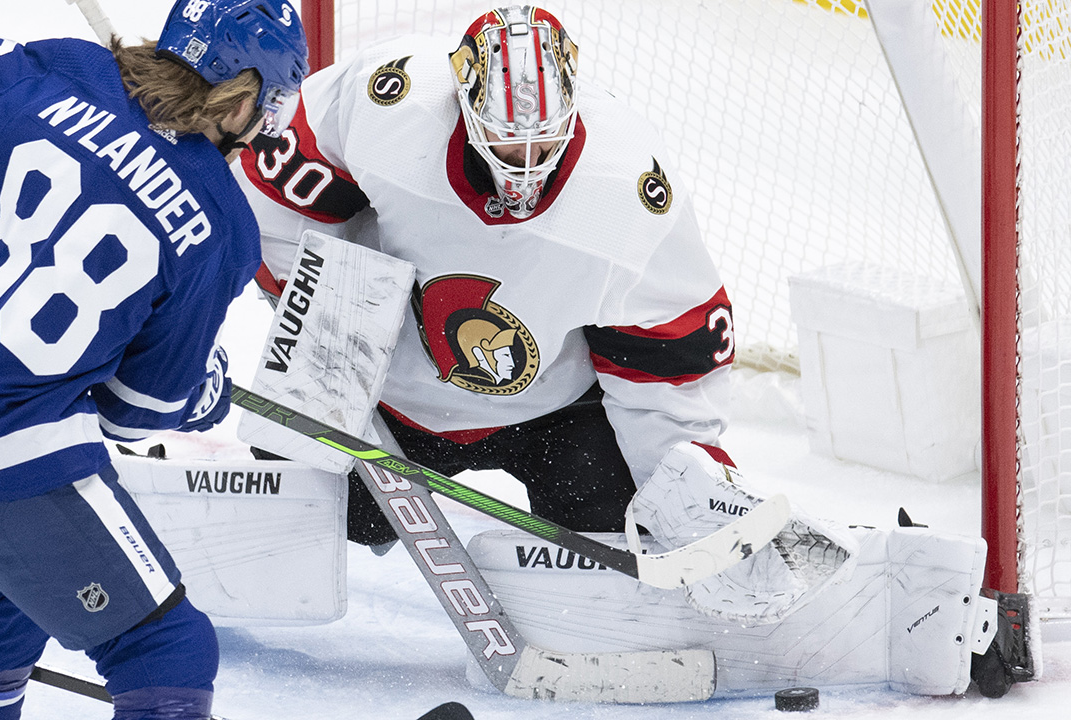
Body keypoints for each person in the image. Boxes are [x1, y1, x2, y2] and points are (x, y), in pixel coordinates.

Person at [233, 4, 1033, 699]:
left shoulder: (625, 190)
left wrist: (686, 481)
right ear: (461, 105)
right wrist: (324, 312)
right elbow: (282, 193)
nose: (522, 168)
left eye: (539, 146)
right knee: (307, 513)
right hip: (389, 395)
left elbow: (662, 353)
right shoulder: (389, 101)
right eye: (503, 146)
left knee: (609, 574)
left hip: (553, 409)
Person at [0, 1, 306, 718]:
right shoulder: (223, 227)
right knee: (165, 654)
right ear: (241, 98)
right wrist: (202, 393)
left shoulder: (67, 68)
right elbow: (135, 412)